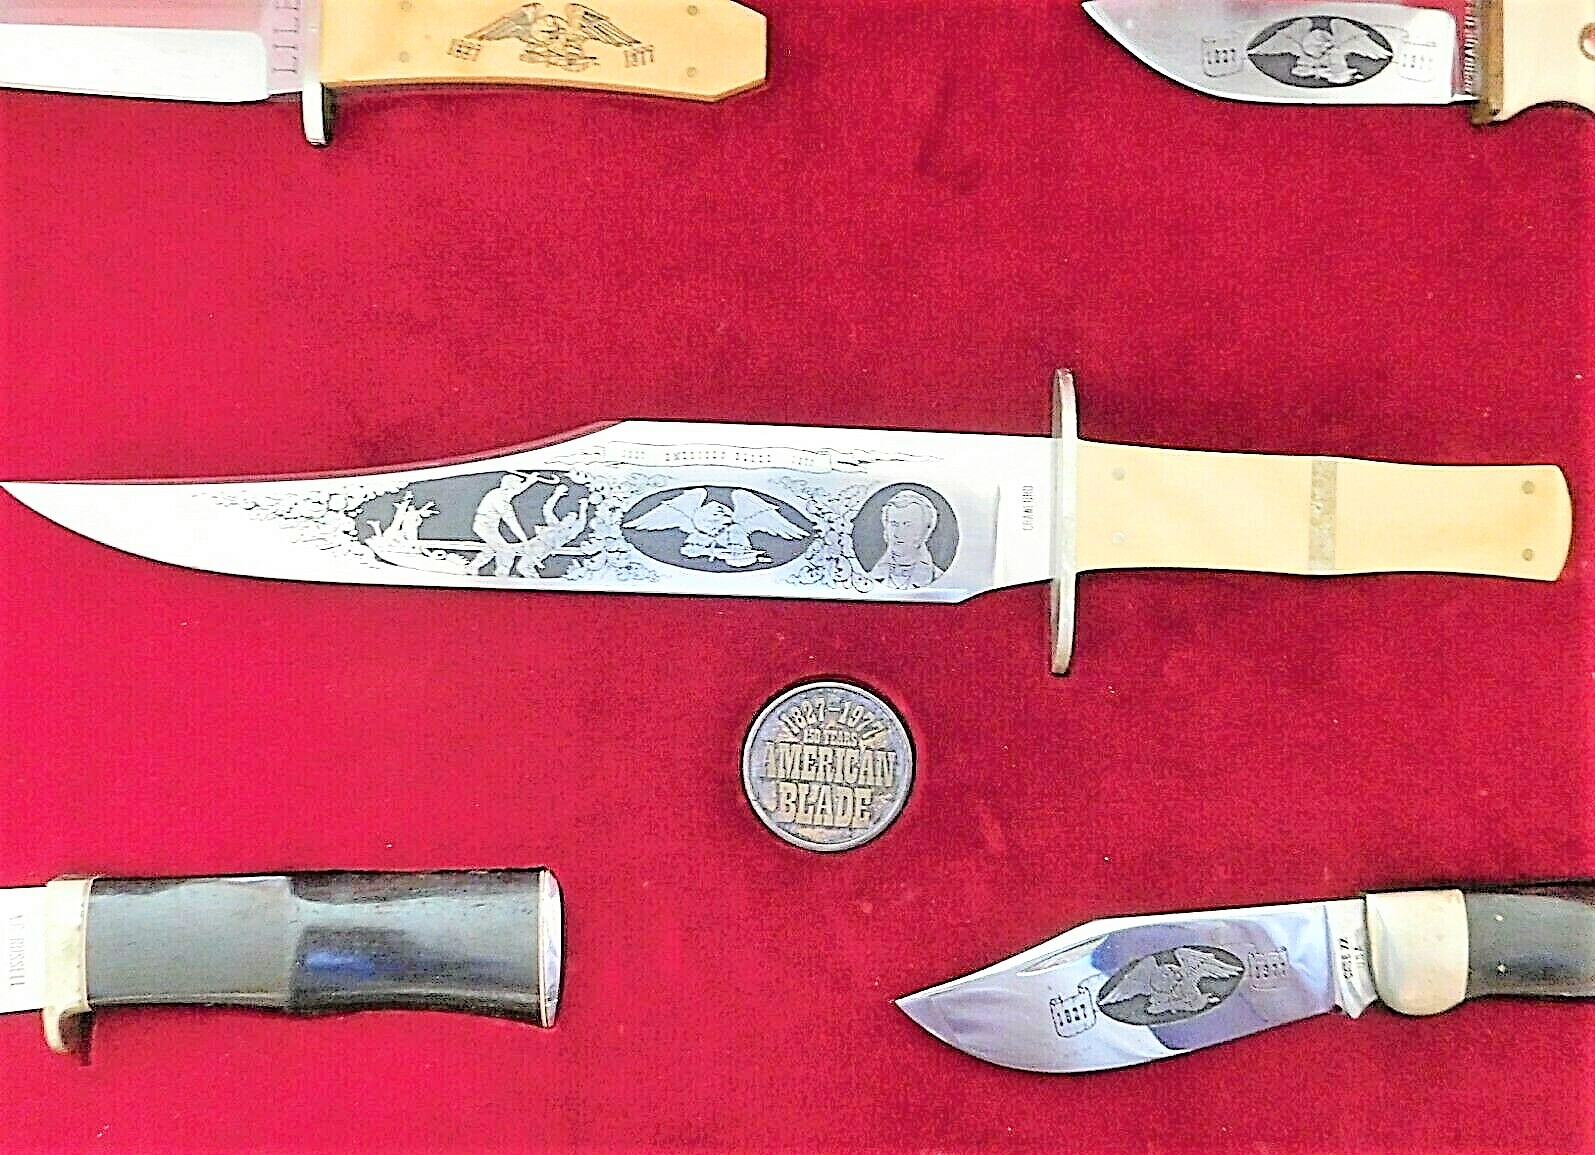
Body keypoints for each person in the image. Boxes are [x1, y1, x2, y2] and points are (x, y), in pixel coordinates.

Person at [866, 489, 943, 590]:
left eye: (908, 525)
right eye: (894, 524)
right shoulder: (868, 578)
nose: (898, 533)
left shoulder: (939, 579)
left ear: (926, 530)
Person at [470, 473, 535, 575]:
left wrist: (530, 481)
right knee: (507, 552)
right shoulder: (501, 501)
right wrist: (524, 539)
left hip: (487, 526)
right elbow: (512, 523)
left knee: (491, 549)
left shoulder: (500, 492)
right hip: (485, 527)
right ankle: (502, 575)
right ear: (511, 485)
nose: (519, 485)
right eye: (518, 483)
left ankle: (472, 568)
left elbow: (518, 490)